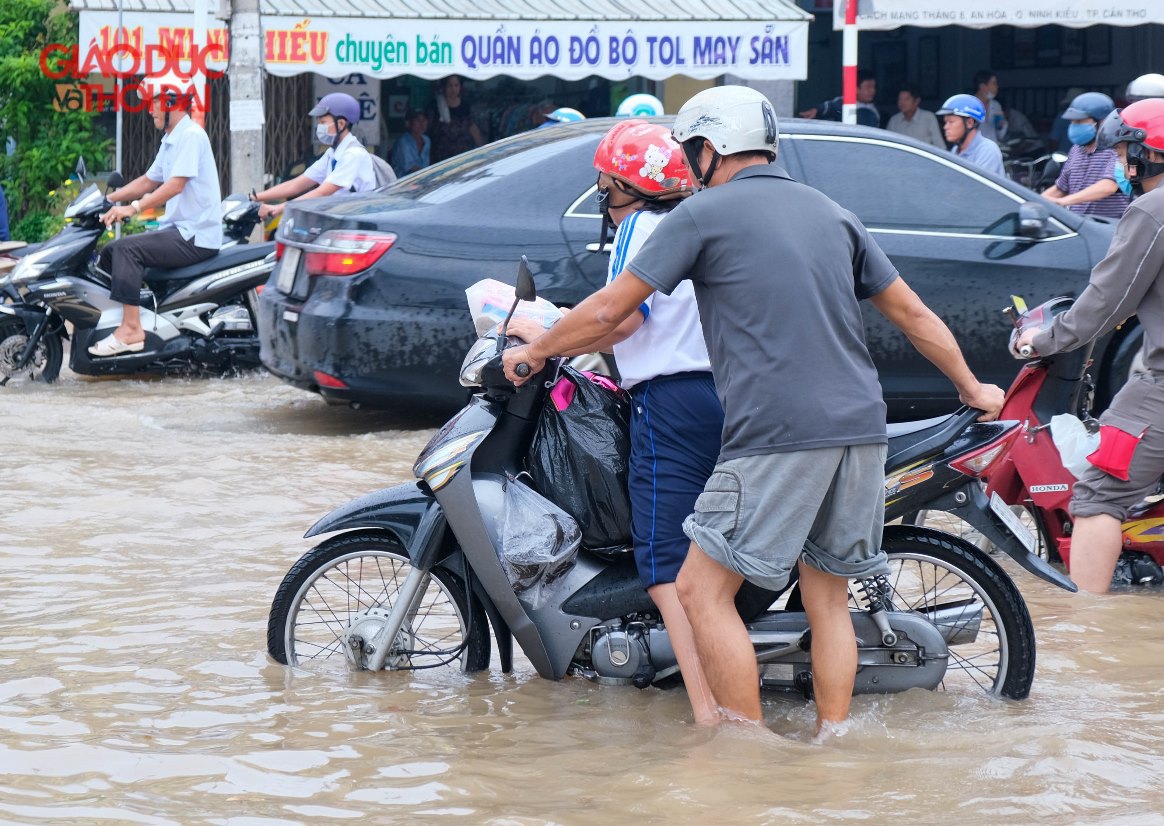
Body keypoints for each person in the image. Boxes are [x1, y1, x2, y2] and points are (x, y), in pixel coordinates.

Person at [502, 86, 1004, 734]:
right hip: (860, 429)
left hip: (778, 434)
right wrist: (972, 388)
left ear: (711, 149)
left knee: (696, 592)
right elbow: (912, 314)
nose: (686, 165)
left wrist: (535, 350)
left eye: (691, 151)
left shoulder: (702, 216)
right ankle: (834, 745)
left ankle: (741, 759)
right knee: (827, 601)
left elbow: (608, 312)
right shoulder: (832, 214)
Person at [507, 120, 721, 724]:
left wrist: (539, 343)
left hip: (670, 402)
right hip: (724, 395)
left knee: (662, 564)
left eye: (606, 183)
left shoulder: (640, 227)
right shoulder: (693, 223)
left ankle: (710, 717)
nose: (603, 195)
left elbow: (621, 320)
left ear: (629, 186)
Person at [1015, 98, 1164, 594]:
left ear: (1149, 155)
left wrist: (1045, 338)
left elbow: (1109, 299)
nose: (1119, 165)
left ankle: (1089, 627)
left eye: (1124, 153)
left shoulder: (1152, 211)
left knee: (1099, 494)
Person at [90, 71, 220, 357]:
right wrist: (106, 199)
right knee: (111, 251)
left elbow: (174, 185)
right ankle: (125, 318)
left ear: (172, 102)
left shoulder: (191, 136)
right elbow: (149, 180)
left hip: (194, 235)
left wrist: (133, 208)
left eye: (154, 102)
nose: (150, 110)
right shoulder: (172, 139)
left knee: (127, 250)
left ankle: (132, 329)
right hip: (179, 231)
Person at [252, 93, 375, 220]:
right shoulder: (332, 153)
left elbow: (323, 192)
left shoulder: (353, 154)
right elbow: (296, 185)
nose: (319, 127)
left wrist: (279, 208)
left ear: (341, 124)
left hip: (357, 224)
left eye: (323, 122)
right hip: (339, 218)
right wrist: (254, 197)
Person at [1041, 92, 1130, 218]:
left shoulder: (1117, 149)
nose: (1074, 126)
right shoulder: (1076, 150)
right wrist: (1037, 201)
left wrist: (1064, 201)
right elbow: (1061, 188)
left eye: (1079, 121)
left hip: (1109, 227)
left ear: (1103, 121)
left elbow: (1108, 186)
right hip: (1081, 227)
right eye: (1072, 122)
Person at [937, 93, 1005, 177]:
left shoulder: (987, 149)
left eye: (951, 122)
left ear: (969, 122)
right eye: (945, 122)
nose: (945, 127)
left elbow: (975, 187)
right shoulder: (956, 150)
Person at [798, 70, 880, 128]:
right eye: (868, 87)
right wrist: (816, 110)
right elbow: (829, 107)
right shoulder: (844, 102)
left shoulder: (873, 107)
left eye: (873, 87)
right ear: (856, 89)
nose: (873, 90)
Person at [429, 75, 483, 162]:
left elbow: (473, 128)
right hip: (440, 158)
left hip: (461, 157)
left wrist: (483, 149)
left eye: (456, 85)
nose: (453, 89)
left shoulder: (465, 106)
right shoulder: (435, 106)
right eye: (450, 86)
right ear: (444, 87)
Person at [390, 109, 430, 178]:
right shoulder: (403, 142)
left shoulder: (426, 140)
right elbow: (411, 168)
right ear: (408, 123)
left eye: (424, 120)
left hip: (423, 181)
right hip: (404, 183)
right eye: (417, 120)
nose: (421, 124)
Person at [972, 69, 1008, 143]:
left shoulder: (996, 105)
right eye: (994, 84)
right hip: (974, 150)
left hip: (992, 148)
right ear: (983, 86)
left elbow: (1000, 135)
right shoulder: (969, 105)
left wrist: (1001, 125)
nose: (997, 87)